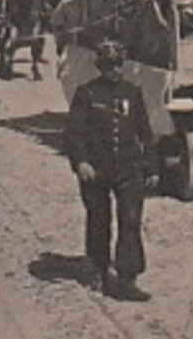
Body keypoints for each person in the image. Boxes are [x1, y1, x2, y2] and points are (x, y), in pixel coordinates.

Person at [64, 39, 157, 301]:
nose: (114, 70)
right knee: (99, 220)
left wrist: (151, 167)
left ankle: (127, 278)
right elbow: (74, 133)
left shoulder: (132, 92)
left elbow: (145, 133)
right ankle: (99, 268)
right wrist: (81, 162)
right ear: (100, 67)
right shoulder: (87, 94)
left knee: (130, 221)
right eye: (109, 66)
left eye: (118, 65)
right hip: (97, 169)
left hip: (128, 168)